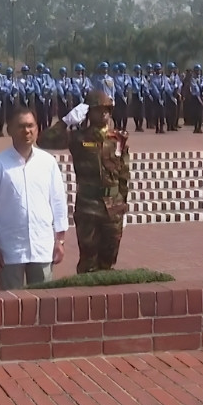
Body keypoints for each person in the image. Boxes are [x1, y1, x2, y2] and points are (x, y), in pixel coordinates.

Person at [38, 90, 131, 273]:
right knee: (88, 261)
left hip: (113, 208)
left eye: (107, 110)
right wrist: (65, 121)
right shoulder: (78, 138)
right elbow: (43, 140)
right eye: (98, 109)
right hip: (88, 206)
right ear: (89, 112)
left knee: (108, 261)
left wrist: (123, 205)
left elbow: (123, 175)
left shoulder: (118, 139)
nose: (104, 113)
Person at [0, 106, 69, 291]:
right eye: (20, 126)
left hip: (42, 246)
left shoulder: (48, 163)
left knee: (44, 303)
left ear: (37, 129)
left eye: (30, 126)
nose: (26, 131)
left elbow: (58, 203)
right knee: (10, 306)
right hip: (10, 249)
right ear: (10, 129)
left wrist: (59, 241)